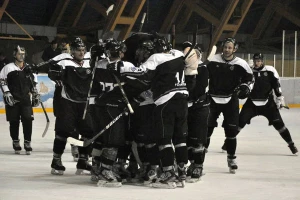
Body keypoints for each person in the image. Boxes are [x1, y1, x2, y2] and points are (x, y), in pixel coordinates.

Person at [131, 34, 189, 189]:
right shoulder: (178, 53)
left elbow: (140, 73)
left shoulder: (156, 57)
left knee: (164, 139)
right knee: (179, 139)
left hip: (166, 101)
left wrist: (121, 69)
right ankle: (182, 171)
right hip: (182, 99)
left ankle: (169, 174)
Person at [89, 38, 148, 187]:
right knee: (113, 140)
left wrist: (93, 58)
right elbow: (142, 77)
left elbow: (92, 78)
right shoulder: (125, 65)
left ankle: (96, 168)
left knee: (101, 139)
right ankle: (105, 171)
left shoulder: (99, 64)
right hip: (114, 107)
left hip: (99, 106)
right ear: (121, 53)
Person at [221, 53, 298, 155]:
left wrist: (280, 99)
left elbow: (276, 85)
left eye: (259, 61)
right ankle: (227, 144)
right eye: (255, 61)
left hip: (268, 104)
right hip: (251, 104)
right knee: (239, 124)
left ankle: (291, 145)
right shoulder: (249, 71)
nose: (257, 63)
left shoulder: (270, 70)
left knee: (280, 125)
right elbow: (240, 82)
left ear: (262, 61)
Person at [205, 37, 254, 174]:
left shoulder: (241, 63)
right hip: (213, 99)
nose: (227, 49)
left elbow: (250, 79)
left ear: (235, 49)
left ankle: (231, 159)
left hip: (231, 100)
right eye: (225, 47)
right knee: (206, 130)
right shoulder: (213, 60)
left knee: (231, 132)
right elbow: (203, 75)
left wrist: (246, 87)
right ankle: (199, 160)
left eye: (230, 47)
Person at [48, 37, 93, 175]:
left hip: (84, 103)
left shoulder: (88, 63)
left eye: (83, 50)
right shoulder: (65, 62)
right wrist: (55, 74)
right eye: (78, 50)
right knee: (63, 132)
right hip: (68, 102)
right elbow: (52, 71)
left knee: (89, 132)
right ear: (72, 51)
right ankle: (56, 160)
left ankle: (83, 160)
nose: (81, 52)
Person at [0, 46, 40, 155]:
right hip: (13, 99)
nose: (21, 56)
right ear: (14, 55)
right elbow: (2, 81)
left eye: (23, 53)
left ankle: (27, 142)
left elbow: (34, 83)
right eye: (19, 53)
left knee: (28, 120)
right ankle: (15, 141)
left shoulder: (29, 68)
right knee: (14, 122)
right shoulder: (7, 68)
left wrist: (35, 93)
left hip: (25, 99)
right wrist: (7, 92)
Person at [182, 41, 209, 182]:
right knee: (186, 138)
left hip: (200, 107)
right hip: (186, 107)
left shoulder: (203, 68)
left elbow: (197, 89)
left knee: (198, 138)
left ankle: (198, 165)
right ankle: (190, 164)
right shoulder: (182, 69)